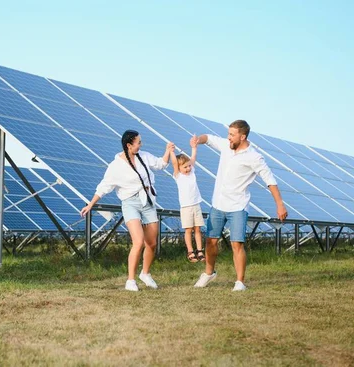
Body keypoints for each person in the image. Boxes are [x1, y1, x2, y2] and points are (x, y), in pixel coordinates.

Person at [192, 120, 288, 291]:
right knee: (210, 241)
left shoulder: (254, 157)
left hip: (238, 206)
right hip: (218, 204)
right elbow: (208, 138)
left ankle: (240, 282)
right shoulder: (226, 146)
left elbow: (270, 181)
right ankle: (208, 273)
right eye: (228, 134)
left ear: (242, 136)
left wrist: (279, 204)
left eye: (232, 135)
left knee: (237, 244)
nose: (228, 138)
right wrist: (198, 140)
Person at [80, 129, 173, 291]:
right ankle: (130, 280)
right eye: (138, 142)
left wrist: (167, 151)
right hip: (130, 203)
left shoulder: (143, 156)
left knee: (151, 243)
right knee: (138, 241)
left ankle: (145, 273)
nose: (141, 145)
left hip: (148, 201)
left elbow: (160, 164)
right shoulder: (116, 166)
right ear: (129, 145)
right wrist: (90, 204)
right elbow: (104, 186)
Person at [170, 135, 205, 263]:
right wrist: (171, 152)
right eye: (185, 167)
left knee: (198, 229)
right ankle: (190, 251)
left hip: (196, 204)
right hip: (186, 206)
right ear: (179, 169)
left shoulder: (192, 172)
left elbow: (193, 158)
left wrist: (194, 148)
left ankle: (200, 251)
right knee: (188, 230)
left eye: (189, 166)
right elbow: (174, 162)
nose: (188, 168)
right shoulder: (178, 176)